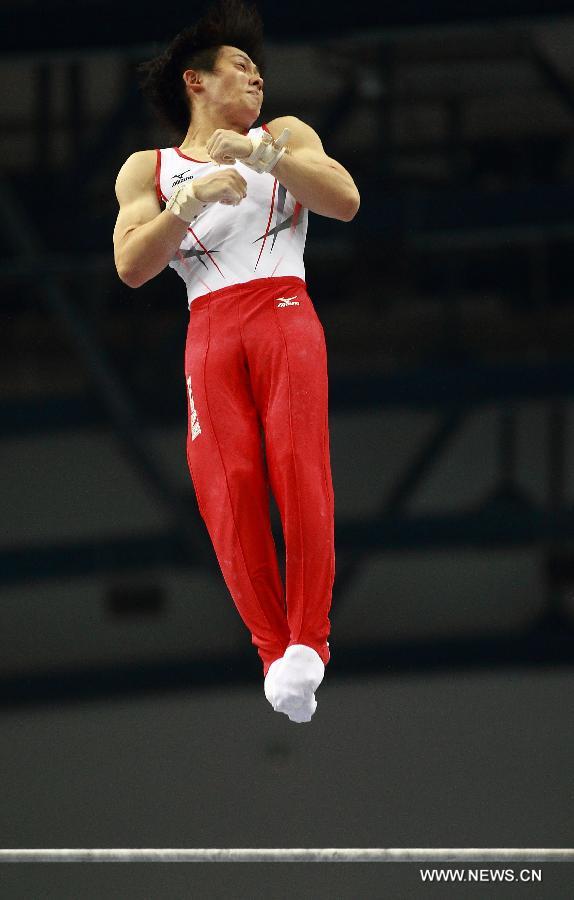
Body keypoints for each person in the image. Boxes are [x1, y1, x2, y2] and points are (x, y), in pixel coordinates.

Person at [113, 0, 360, 723]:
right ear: (195, 81)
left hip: (283, 310)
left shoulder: (283, 133)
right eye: (240, 68)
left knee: (295, 460)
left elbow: (344, 199)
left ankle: (309, 641)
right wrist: (188, 202)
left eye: (259, 71)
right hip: (210, 327)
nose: (257, 80)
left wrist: (264, 156)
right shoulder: (149, 169)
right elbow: (131, 265)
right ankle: (272, 652)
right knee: (229, 484)